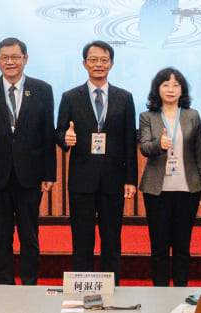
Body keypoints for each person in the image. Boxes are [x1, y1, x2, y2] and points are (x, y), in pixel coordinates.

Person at [0, 37, 55, 285]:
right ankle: (4, 286)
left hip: (30, 176)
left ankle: (30, 285)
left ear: (25, 59)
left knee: (30, 236)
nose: (10, 62)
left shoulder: (43, 90)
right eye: (4, 58)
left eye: (15, 57)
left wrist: (49, 174)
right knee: (1, 236)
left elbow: (47, 134)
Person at [55, 40, 137, 285]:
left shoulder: (125, 98)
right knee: (82, 240)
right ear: (84, 64)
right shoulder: (70, 97)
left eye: (104, 60)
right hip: (82, 180)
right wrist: (64, 139)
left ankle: (113, 289)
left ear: (111, 63)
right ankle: (81, 289)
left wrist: (130, 180)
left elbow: (128, 141)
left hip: (114, 180)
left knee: (112, 240)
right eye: (93, 60)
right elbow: (58, 132)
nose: (98, 64)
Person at [138, 67, 201, 286]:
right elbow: (145, 148)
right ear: (157, 89)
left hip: (187, 190)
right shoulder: (147, 116)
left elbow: (200, 154)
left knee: (182, 246)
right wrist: (159, 144)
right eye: (165, 85)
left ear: (182, 90)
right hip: (156, 190)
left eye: (175, 85)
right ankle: (159, 293)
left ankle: (180, 292)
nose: (170, 89)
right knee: (159, 247)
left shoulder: (192, 115)